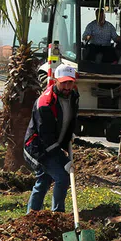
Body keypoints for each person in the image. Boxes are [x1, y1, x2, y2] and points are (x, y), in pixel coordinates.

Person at [25, 64, 79, 213]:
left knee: (44, 180)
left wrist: (69, 135)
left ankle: (32, 215)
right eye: (64, 83)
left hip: (53, 144)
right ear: (56, 80)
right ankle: (58, 215)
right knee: (62, 177)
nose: (67, 87)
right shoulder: (45, 103)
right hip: (39, 146)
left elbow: (70, 119)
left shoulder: (73, 96)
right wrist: (64, 160)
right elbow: (46, 137)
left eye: (70, 82)